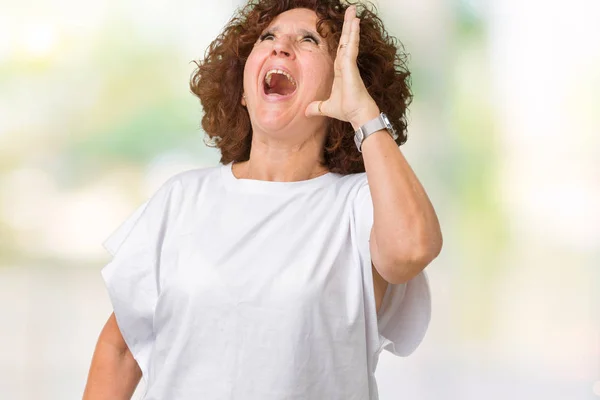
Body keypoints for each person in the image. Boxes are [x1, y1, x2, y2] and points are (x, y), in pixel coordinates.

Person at [83, 0, 443, 398]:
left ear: (342, 82)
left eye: (309, 40)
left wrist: (363, 114)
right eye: (268, 36)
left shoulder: (358, 206)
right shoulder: (182, 199)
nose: (281, 46)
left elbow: (411, 250)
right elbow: (120, 350)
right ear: (241, 91)